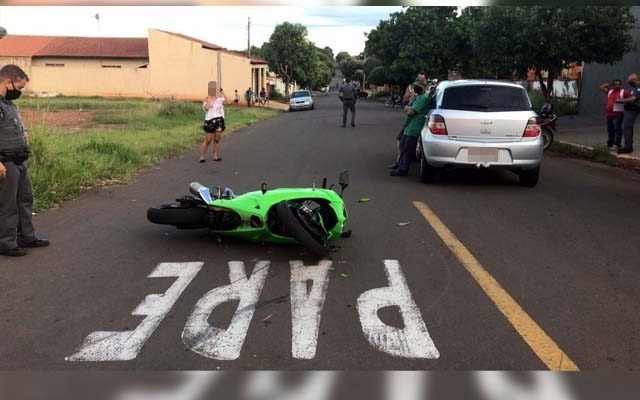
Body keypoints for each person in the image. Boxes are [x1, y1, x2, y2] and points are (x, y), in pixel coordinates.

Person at [0, 64, 49, 257]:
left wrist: (24, 133)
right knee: (7, 204)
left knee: (25, 200)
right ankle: (6, 243)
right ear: (7, 81)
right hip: (6, 162)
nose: (19, 92)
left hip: (19, 161)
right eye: (19, 87)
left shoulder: (8, 104)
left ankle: (26, 236)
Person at [390, 80, 430, 176]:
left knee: (408, 149)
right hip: (409, 126)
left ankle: (403, 169)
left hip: (415, 127)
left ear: (423, 86)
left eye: (418, 85)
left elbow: (411, 111)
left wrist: (408, 108)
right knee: (403, 146)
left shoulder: (423, 98)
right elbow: (407, 106)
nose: (416, 87)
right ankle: (400, 166)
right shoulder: (418, 97)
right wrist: (409, 106)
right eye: (415, 85)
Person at [199, 88, 228, 163]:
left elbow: (228, 102)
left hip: (219, 120)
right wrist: (210, 98)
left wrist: (223, 92)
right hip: (210, 121)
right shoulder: (206, 99)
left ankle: (215, 156)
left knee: (217, 139)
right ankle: (202, 156)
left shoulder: (220, 99)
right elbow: (206, 108)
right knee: (208, 140)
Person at [599, 79, 627, 150]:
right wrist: (610, 84)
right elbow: (601, 87)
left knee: (617, 129)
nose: (617, 86)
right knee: (610, 129)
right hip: (609, 114)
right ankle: (610, 143)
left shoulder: (623, 92)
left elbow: (631, 98)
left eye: (618, 84)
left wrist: (623, 101)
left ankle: (617, 144)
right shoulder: (610, 91)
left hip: (618, 113)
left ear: (621, 85)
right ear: (613, 85)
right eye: (615, 84)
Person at [616, 73, 640, 154]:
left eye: (629, 80)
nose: (628, 82)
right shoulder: (634, 88)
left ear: (634, 80)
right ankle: (628, 146)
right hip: (631, 109)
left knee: (626, 127)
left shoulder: (638, 88)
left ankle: (628, 147)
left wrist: (620, 100)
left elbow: (633, 99)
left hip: (633, 110)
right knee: (627, 127)